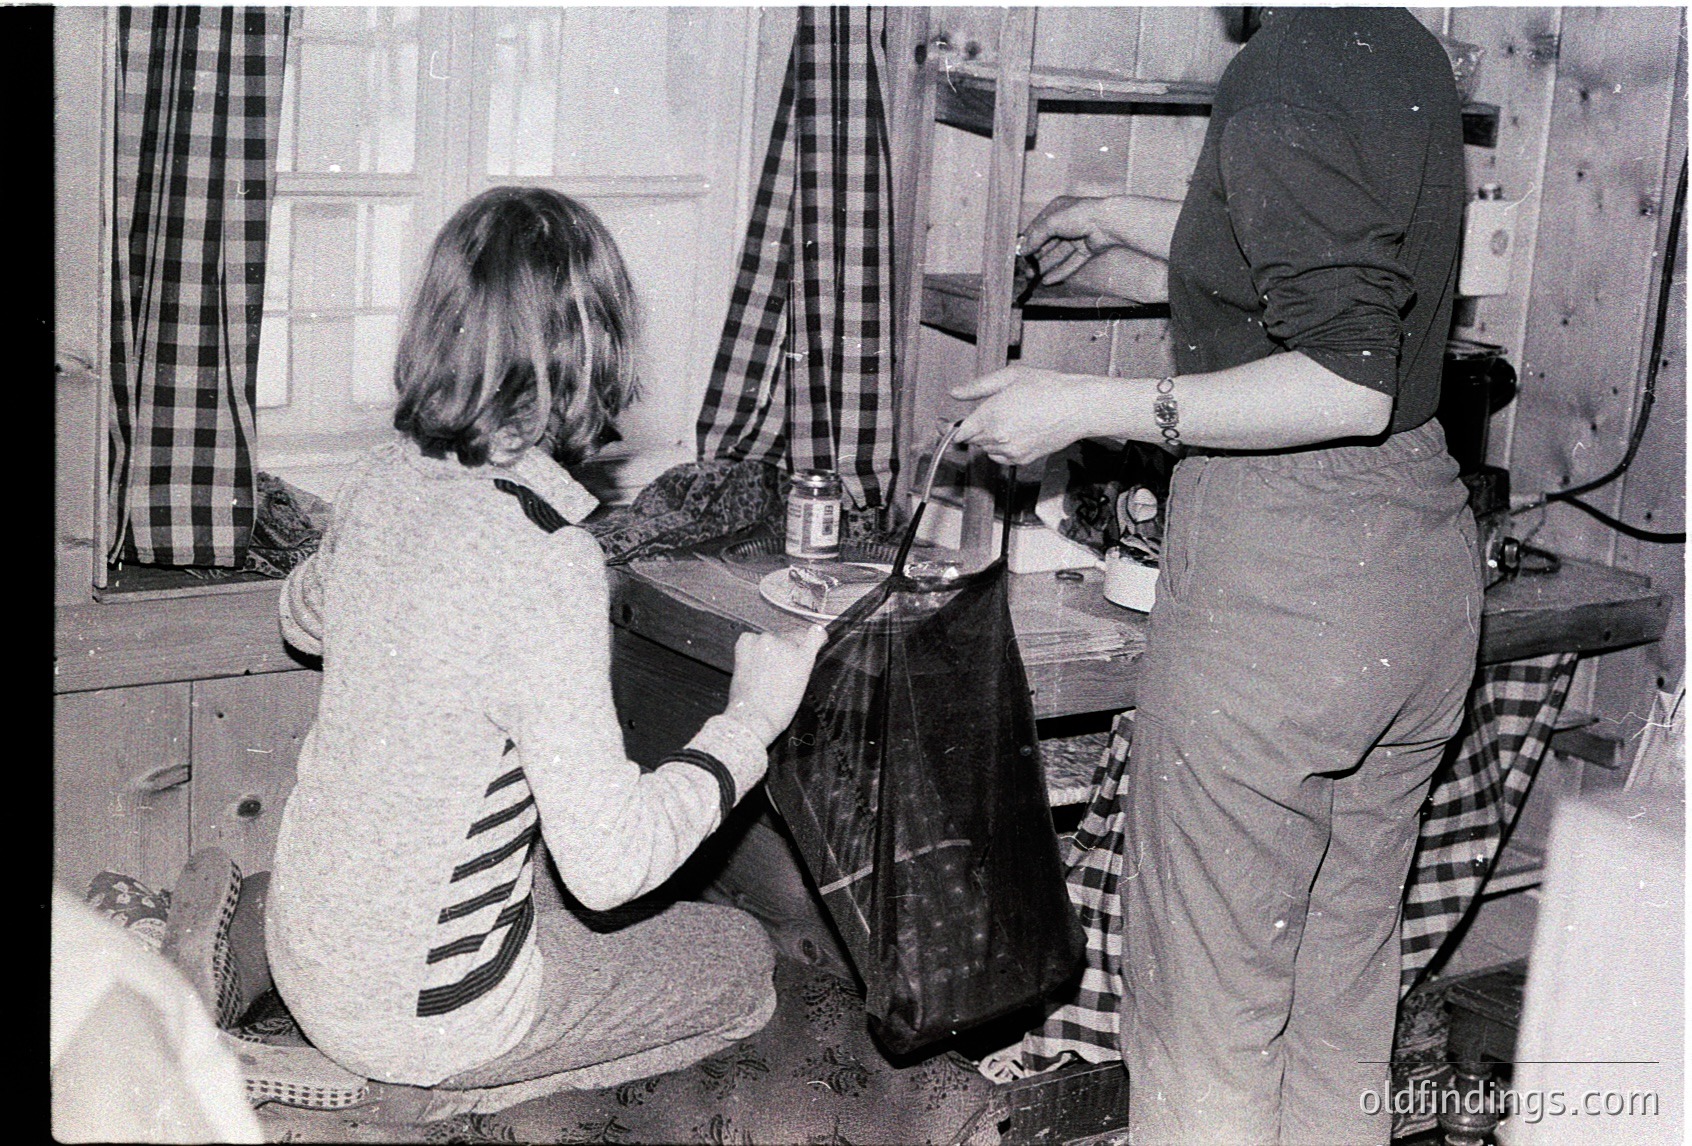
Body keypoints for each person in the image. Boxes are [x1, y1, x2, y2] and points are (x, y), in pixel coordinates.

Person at [952, 9, 1481, 1145]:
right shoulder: (1398, 44)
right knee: (1343, 994)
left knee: (1208, 1022)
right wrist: (1108, 214)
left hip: (1288, 573)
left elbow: (1347, 382)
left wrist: (1082, 402)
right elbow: (1302, 245)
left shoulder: (1280, 62)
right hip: (1420, 561)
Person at [265, 186, 826, 1106]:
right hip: (422, 1013)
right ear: (591, 354)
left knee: (522, 865)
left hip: (310, 953)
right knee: (742, 963)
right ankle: (428, 1091)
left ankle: (272, 957)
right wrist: (748, 725)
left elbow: (302, 619)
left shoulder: (382, 478)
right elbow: (609, 872)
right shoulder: (547, 560)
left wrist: (375, 586)